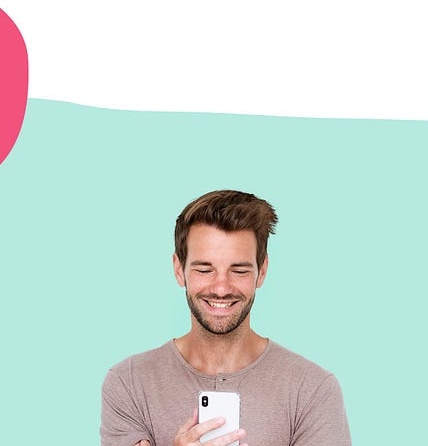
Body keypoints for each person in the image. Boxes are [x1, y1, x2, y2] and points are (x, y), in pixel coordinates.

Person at [101, 190, 351, 446]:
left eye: (239, 270)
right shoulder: (129, 383)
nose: (221, 288)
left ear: (261, 271)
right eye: (204, 269)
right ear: (179, 270)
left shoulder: (313, 389)